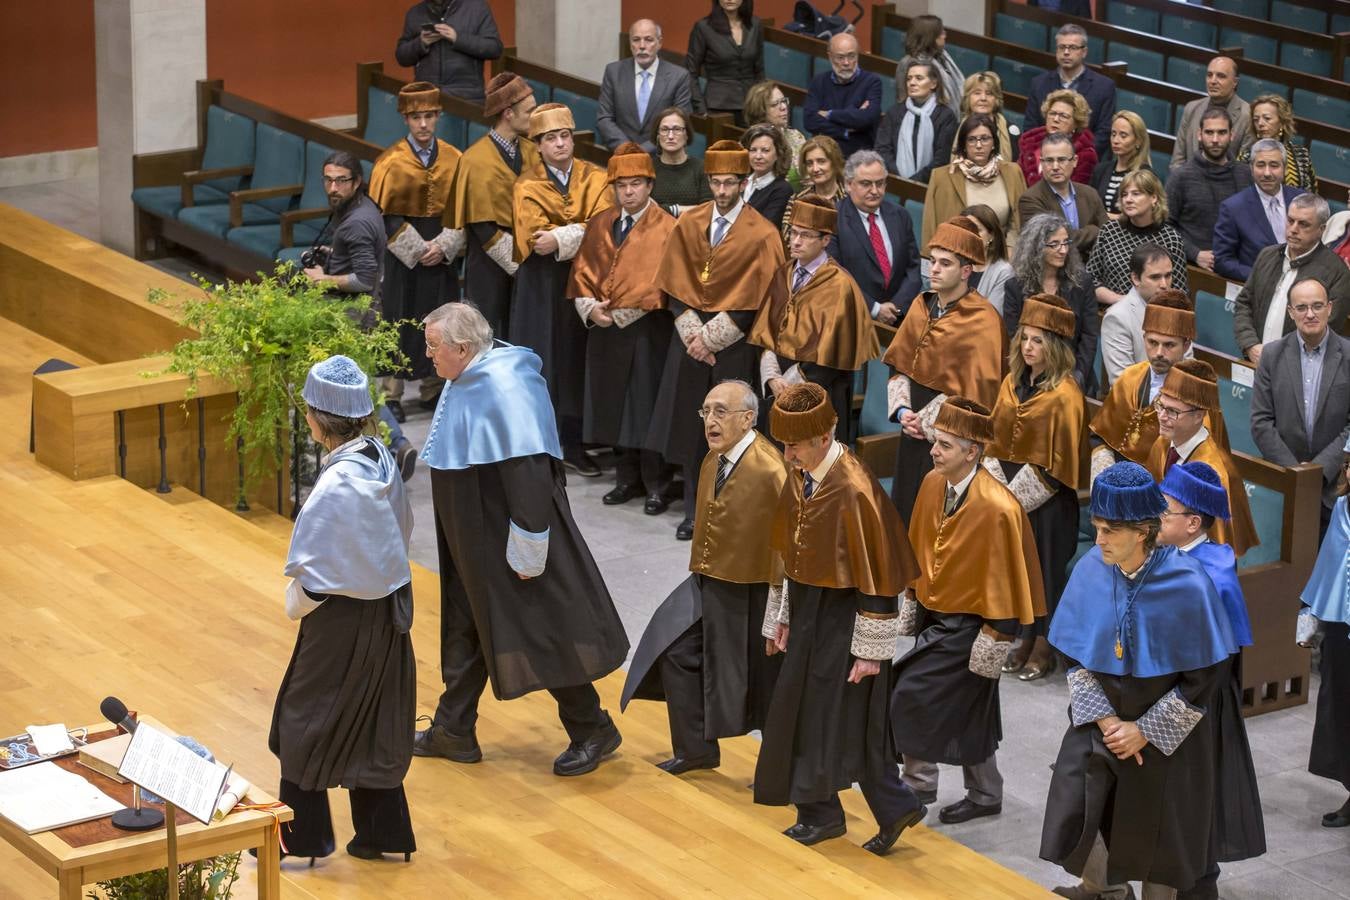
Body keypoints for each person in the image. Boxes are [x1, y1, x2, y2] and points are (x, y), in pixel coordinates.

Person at [413, 303, 630, 777]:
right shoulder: (468, 376)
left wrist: (528, 544)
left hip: (506, 536)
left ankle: (591, 726)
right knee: (469, 622)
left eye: (434, 347)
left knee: (540, 628)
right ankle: (454, 727)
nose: (427, 356)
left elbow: (529, 473)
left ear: (464, 349)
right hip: (474, 530)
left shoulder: (505, 386)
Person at [1041, 461, 1238, 900]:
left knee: (1161, 842)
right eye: (1096, 526)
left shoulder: (1189, 584)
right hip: (1102, 722)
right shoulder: (1091, 568)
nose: (1099, 539)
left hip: (1166, 735)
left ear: (1144, 531)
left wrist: (1144, 731)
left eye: (1110, 530)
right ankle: (1105, 891)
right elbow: (1074, 655)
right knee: (1077, 805)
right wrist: (1108, 721)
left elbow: (1205, 678)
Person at [754, 383, 926, 854]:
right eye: (784, 445)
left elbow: (881, 576)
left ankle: (831, 812)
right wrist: (783, 615)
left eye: (794, 446)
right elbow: (790, 552)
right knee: (816, 711)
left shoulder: (854, 486)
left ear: (824, 437)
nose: (787, 456)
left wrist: (871, 653)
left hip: (848, 616)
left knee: (836, 715)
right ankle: (864, 809)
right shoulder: (801, 472)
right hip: (811, 608)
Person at [270, 355, 416, 862]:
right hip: (387, 613)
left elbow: (315, 575)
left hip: (340, 620)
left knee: (301, 719)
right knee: (373, 719)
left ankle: (303, 837)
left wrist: (295, 603)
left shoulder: (337, 484)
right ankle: (383, 834)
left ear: (318, 417)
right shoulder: (378, 455)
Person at [621, 380, 786, 772]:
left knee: (768, 682)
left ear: (747, 419)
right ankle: (695, 749)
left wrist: (782, 606)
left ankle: (782, 772)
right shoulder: (715, 457)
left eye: (720, 412)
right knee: (676, 652)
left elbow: (789, 539)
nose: (710, 421)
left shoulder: (770, 469)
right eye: (706, 412)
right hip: (709, 581)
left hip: (754, 590)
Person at [892, 398, 1046, 821]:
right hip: (936, 617)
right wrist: (914, 601)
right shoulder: (930, 484)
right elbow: (920, 547)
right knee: (969, 711)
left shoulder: (999, 507)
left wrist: (994, 640)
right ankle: (985, 793)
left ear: (971, 451)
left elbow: (1008, 582)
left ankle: (917, 785)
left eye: (943, 445)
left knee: (909, 693)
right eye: (935, 442)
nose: (933, 451)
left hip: (975, 628)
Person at [647, 139, 785, 541]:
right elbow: (673, 285)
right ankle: (694, 508)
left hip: (734, 345)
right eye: (716, 183)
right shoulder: (689, 224)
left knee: (732, 428)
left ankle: (732, 510)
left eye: (730, 183)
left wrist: (713, 337)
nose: (723, 191)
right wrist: (694, 335)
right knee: (694, 430)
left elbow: (762, 296)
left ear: (744, 183)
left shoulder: (762, 232)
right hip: (689, 341)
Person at [1157, 462, 1265, 899]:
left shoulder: (1213, 575)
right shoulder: (1173, 555)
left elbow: (1217, 665)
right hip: (1168, 694)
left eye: (1164, 510)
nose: (1155, 516)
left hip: (1198, 706)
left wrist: (1171, 711)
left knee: (1195, 804)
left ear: (1193, 522)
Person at [567, 142, 678, 513]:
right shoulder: (602, 222)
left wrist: (621, 313)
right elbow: (582, 270)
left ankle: (656, 485)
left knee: (645, 408)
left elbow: (663, 280)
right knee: (612, 405)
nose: (628, 191)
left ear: (649, 185)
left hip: (647, 332)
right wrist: (589, 308)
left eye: (635, 184)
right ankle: (625, 479)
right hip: (603, 329)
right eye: (621, 185)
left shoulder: (666, 226)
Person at [984, 294, 1087, 681]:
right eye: (1025, 339)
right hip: (1009, 489)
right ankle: (1024, 637)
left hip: (1048, 500)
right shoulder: (1013, 382)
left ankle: (1044, 644)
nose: (1028, 347)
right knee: (1020, 570)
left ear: (1055, 347)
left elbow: (1062, 463)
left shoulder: (1066, 394)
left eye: (1038, 341)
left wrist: (1017, 497)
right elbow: (995, 432)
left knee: (1044, 572)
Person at [508, 103, 614, 477]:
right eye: (550, 138)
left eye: (564, 136)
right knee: (547, 361)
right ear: (537, 144)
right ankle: (542, 444)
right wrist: (576, 233)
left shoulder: (596, 176)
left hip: (587, 279)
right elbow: (536, 242)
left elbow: (606, 226)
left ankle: (577, 441)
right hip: (543, 285)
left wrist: (561, 236)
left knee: (579, 361)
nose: (559, 144)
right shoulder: (526, 185)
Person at [883, 216, 1006, 522]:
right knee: (904, 513)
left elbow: (980, 394)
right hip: (909, 426)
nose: (934, 269)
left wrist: (926, 422)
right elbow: (899, 365)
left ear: (966, 271)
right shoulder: (922, 305)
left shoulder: (984, 319)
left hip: (951, 438)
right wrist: (902, 412)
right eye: (933, 261)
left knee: (937, 520)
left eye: (945, 263)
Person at [368, 82, 464, 417]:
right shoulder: (390, 161)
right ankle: (392, 394)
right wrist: (419, 250)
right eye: (416, 118)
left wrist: (443, 246)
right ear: (406, 120)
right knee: (399, 317)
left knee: (440, 318)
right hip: (403, 256)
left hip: (442, 249)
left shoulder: (454, 158)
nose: (423, 124)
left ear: (438, 116)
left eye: (429, 116)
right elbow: (385, 215)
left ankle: (434, 387)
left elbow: (462, 210)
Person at [750, 196, 880, 442]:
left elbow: (832, 356)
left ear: (825, 240)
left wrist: (791, 385)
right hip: (777, 386)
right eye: (794, 233)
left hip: (819, 392)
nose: (796, 241)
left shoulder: (841, 285)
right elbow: (766, 331)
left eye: (806, 235)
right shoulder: (783, 273)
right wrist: (771, 377)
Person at [1250, 278, 1350, 533]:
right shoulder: (1272, 355)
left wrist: (1317, 471)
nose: (1310, 314)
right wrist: (1295, 472)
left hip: (1333, 487)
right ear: (1290, 312)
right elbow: (1261, 422)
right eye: (1302, 307)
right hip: (1282, 481)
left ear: (1330, 308)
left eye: (1317, 306)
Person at [443, 72, 538, 337]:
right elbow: (482, 226)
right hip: (489, 267)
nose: (534, 116)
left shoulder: (532, 151)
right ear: (508, 113)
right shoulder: (475, 159)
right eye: (529, 111)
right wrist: (518, 263)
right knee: (489, 337)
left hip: (527, 259)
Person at [1145, 359, 1259, 557]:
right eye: (1160, 405)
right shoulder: (1162, 444)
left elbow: (1214, 550)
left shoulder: (1215, 473)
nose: (1162, 417)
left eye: (1173, 411)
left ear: (1199, 415)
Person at [1297, 448, 1350, 829]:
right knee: (1342, 707)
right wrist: (1311, 613)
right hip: (1341, 626)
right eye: (1348, 464)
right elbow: (1330, 562)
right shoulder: (1344, 509)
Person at [1234, 193, 1350, 365]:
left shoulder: (1337, 272)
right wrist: (1250, 345)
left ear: (1322, 230)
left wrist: (1278, 359)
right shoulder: (1267, 255)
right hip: (1255, 360)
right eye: (1290, 221)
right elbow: (1244, 303)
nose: (1294, 229)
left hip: (1299, 369)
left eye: (1303, 224)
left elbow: (1325, 328)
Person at [1091, 290, 1199, 470]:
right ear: (1144, 338)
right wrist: (1107, 480)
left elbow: (1199, 462)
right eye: (1152, 342)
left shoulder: (1197, 392)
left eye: (1169, 345)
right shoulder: (1130, 377)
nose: (1158, 353)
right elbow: (1102, 439)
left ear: (1186, 345)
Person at [1003, 213, 1099, 392]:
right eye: (1054, 244)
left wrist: (1077, 377)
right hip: (1030, 377)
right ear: (1035, 248)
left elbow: (1089, 336)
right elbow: (1015, 336)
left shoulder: (1082, 282)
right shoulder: (1015, 287)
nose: (1063, 250)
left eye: (1065, 243)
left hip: (1074, 375)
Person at [828, 149, 922, 325]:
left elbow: (913, 268)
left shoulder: (900, 215)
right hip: (850, 318)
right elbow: (834, 274)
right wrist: (875, 309)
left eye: (880, 184)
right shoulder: (833, 218)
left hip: (897, 318)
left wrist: (896, 307)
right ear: (848, 184)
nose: (875, 191)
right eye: (866, 184)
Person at [922, 113, 1026, 253]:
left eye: (984, 139)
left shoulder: (1013, 172)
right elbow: (930, 227)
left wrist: (1008, 252)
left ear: (994, 143)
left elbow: (1018, 221)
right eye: (971, 139)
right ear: (963, 145)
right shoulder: (941, 176)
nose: (978, 145)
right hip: (956, 257)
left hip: (1002, 259)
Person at [1165, 108, 1253, 272]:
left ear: (1231, 135)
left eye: (1221, 133)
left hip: (1236, 269)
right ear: (1199, 134)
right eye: (1209, 132)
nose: (1215, 139)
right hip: (1191, 268)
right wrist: (1195, 253)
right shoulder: (1181, 176)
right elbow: (1165, 227)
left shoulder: (1246, 174)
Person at [1088, 169, 1188, 307]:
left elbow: (1179, 293)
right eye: (1124, 194)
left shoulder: (1171, 239)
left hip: (1152, 317)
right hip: (1110, 311)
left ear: (1154, 198)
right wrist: (1119, 300)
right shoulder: (1109, 230)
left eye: (1136, 194)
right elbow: (1090, 279)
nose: (1128, 200)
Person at [1213, 139, 1308, 282]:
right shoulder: (1233, 208)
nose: (1267, 173)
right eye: (1261, 165)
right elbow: (1222, 261)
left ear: (1285, 168)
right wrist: (1260, 276)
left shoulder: (1302, 200)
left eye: (1274, 165)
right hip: (1258, 291)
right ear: (1251, 168)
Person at [596, 19, 694, 152]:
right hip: (621, 156)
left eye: (649, 39)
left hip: (662, 157)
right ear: (630, 44)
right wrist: (626, 149)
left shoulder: (678, 76)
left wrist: (642, 151)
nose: (642, 46)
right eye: (636, 40)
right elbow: (604, 118)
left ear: (659, 42)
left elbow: (680, 123)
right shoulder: (613, 72)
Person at [1022, 24, 1116, 157]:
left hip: (1084, 161)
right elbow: (1031, 127)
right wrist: (1048, 156)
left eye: (1072, 47)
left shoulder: (1104, 86)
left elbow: (1104, 133)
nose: (1066, 52)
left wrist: (1071, 157)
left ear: (1084, 52)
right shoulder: (1039, 83)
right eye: (1062, 47)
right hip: (1043, 159)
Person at [1018, 132, 1109, 254]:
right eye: (1049, 160)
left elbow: (1108, 235)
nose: (1055, 166)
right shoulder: (1030, 199)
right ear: (1041, 163)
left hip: (1091, 268)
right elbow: (1050, 242)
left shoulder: (1090, 194)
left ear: (1075, 161)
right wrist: (1093, 231)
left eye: (1061, 160)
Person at [395, 0, 502, 104]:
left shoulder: (477, 7)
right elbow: (402, 57)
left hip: (467, 99)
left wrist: (458, 38)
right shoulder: (415, 13)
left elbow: (494, 48)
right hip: (427, 99)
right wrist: (421, 43)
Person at [1099, 245, 1178, 386]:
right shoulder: (1117, 318)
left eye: (1168, 275)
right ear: (1136, 278)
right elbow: (1122, 381)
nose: (1164, 284)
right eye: (1155, 277)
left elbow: (1187, 365)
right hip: (1135, 403)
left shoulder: (1178, 311)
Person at [875, 57, 957, 183]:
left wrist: (914, 182)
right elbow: (882, 150)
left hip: (930, 185)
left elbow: (942, 159)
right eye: (909, 78)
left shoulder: (945, 116)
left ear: (933, 83)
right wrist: (900, 179)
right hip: (894, 182)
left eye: (919, 78)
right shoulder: (894, 113)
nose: (912, 83)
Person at [803, 33, 882, 159]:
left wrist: (829, 114)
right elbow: (810, 121)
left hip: (859, 156)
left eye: (851, 56)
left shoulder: (872, 82)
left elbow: (866, 119)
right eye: (840, 57)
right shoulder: (819, 81)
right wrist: (845, 129)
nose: (846, 63)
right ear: (830, 56)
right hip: (825, 154)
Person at [686, 0, 765, 122]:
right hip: (717, 107)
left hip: (751, 106)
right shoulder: (704, 27)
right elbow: (690, 72)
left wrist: (762, 102)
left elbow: (759, 69)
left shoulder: (755, 24)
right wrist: (700, 109)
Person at [1170, 57, 1252, 170]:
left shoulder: (1247, 115)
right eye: (1209, 75)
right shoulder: (1192, 108)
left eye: (1221, 76)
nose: (1213, 81)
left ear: (1235, 82)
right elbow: (1177, 161)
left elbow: (1243, 169)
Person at [1235, 93, 1317, 192]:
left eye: (1267, 118)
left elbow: (1311, 196)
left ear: (1282, 122)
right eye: (1256, 120)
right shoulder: (1245, 157)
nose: (1260, 123)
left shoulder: (1301, 155)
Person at [1018, 89, 1097, 187]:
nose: (1055, 119)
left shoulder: (1085, 154)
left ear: (1076, 122)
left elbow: (1074, 192)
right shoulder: (1029, 143)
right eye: (1052, 113)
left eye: (1063, 116)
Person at [743, 80, 808, 188]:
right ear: (760, 111)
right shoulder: (749, 143)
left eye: (784, 101)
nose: (783, 107)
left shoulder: (796, 136)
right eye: (774, 104)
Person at [781, 136, 846, 240]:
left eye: (821, 161)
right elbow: (788, 238)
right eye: (809, 163)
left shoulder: (851, 197)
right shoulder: (798, 200)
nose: (815, 169)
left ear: (834, 162)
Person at [1089, 111, 1151, 219]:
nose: (1116, 140)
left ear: (1138, 141)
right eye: (1113, 134)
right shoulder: (1101, 170)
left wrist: (1105, 217)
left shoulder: (1145, 174)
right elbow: (1089, 206)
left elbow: (1142, 216)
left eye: (1123, 135)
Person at [650, 107, 712, 214]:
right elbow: (644, 208)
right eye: (664, 129)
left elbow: (708, 209)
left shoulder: (702, 168)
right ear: (657, 135)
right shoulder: (647, 168)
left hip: (693, 228)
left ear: (687, 135)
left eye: (677, 129)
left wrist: (671, 210)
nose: (670, 136)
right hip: (654, 228)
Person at [901, 14, 964, 117]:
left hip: (950, 119)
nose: (945, 35)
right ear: (931, 36)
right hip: (927, 119)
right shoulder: (908, 63)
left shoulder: (943, 57)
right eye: (941, 32)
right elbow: (903, 98)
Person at [953, 71, 1018, 163]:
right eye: (977, 93)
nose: (983, 98)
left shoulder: (1011, 130)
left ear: (996, 99)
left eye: (989, 93)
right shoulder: (953, 129)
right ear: (968, 98)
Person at [962, 203, 1015, 316]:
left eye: (977, 230)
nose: (971, 235)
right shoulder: (955, 263)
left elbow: (990, 317)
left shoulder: (1003, 272)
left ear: (992, 235)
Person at [740, 123, 793, 228]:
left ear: (778, 153)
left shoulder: (782, 189)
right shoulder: (742, 181)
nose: (758, 156)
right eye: (753, 150)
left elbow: (764, 228)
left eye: (765, 150)